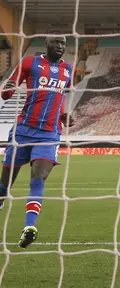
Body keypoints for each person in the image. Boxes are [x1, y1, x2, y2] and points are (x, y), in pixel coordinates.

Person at [0, 33, 75, 249]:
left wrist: (62, 114)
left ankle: (29, 227)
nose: (60, 46)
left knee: (38, 178)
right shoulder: (29, 62)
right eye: (56, 42)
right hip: (23, 130)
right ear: (46, 43)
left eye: (63, 43)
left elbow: (60, 96)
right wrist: (9, 87)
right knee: (5, 183)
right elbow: (6, 94)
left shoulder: (68, 70)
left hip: (49, 134)